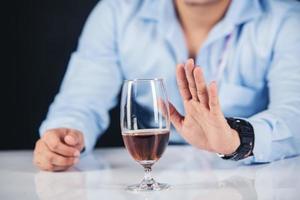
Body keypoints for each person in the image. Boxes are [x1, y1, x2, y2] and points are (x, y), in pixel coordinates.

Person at [33, 0, 300, 171]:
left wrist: (235, 140)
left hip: (247, 180)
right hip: (149, 178)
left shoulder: (286, 20)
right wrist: (65, 137)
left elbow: (295, 113)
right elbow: (81, 101)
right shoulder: (117, 12)